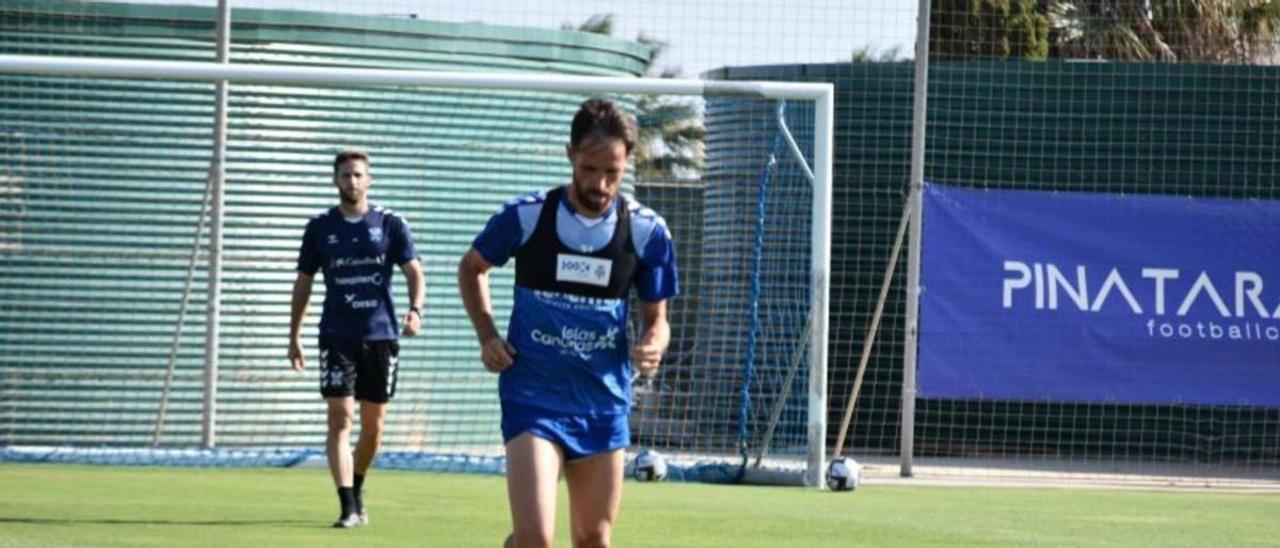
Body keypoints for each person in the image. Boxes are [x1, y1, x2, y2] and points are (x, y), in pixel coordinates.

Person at [457, 98, 678, 548]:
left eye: (611, 173)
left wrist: (653, 344)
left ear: (626, 163)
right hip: (534, 399)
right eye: (590, 169)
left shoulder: (647, 231)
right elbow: (472, 267)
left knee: (594, 539)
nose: (599, 184)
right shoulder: (526, 216)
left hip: (603, 402)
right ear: (570, 155)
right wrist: (487, 334)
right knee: (538, 538)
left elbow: (658, 319)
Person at [288, 149, 424, 528]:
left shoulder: (391, 224)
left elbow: (415, 273)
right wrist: (293, 334)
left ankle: (358, 485)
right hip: (336, 336)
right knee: (339, 418)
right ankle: (347, 505)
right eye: (345, 175)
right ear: (335, 180)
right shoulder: (319, 229)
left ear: (370, 180)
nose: (352, 182)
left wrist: (416, 311)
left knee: (373, 427)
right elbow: (303, 284)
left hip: (381, 336)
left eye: (358, 175)